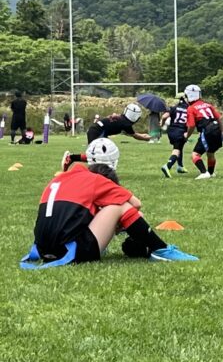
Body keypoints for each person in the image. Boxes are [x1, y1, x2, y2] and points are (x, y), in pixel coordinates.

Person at [20, 138, 197, 269]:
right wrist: (117, 226)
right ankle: (161, 249)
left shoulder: (60, 179)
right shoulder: (96, 180)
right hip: (70, 251)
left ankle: (143, 246)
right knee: (121, 207)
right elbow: (135, 204)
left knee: (111, 211)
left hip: (42, 250)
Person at [61, 103, 151, 171]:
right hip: (97, 132)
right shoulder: (126, 124)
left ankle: (73, 158)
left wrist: (144, 135)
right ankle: (71, 158)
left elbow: (131, 133)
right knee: (97, 155)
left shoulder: (121, 119)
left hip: (96, 130)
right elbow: (135, 135)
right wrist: (146, 138)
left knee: (102, 154)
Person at [182, 84, 223, 180]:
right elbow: (218, 118)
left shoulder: (191, 108)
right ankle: (211, 173)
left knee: (195, 154)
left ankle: (204, 172)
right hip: (216, 129)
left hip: (207, 131)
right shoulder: (208, 105)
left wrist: (187, 136)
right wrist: (222, 130)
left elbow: (191, 125)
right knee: (211, 153)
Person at [159, 94, 189, 178]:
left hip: (171, 131)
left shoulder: (174, 108)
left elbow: (164, 116)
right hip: (181, 131)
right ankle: (167, 166)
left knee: (179, 147)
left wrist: (162, 123)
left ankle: (180, 166)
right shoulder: (189, 109)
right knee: (177, 150)